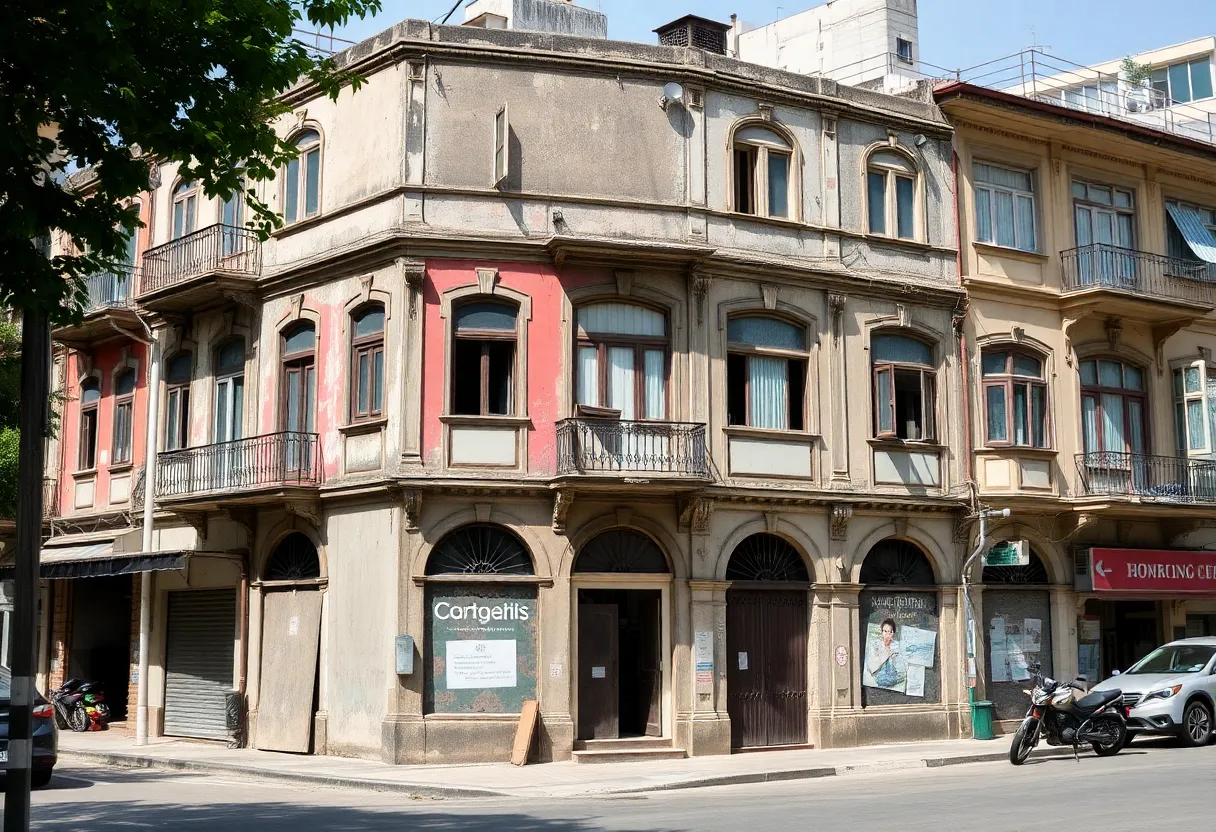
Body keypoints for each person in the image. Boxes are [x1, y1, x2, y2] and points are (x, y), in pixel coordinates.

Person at [864, 618, 906, 691]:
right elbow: (871, 667)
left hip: (895, 686)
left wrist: (894, 659)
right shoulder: (875, 645)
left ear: (893, 633)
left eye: (890, 632)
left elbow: (903, 670)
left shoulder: (897, 647)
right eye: (885, 631)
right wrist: (886, 653)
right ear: (881, 632)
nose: (887, 634)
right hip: (877, 686)